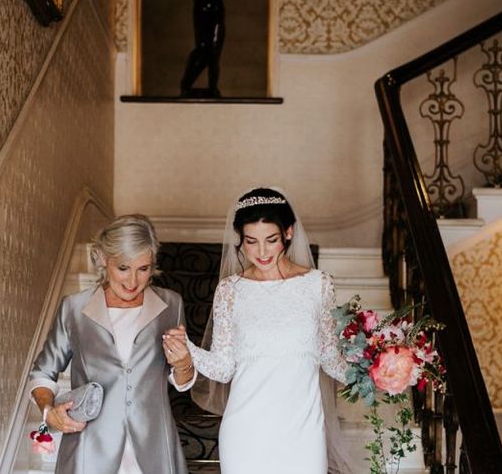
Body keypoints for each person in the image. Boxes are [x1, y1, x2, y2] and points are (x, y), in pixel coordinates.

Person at [162, 187, 354, 474]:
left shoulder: (319, 284)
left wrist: (373, 368)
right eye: (251, 241)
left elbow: (329, 356)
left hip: (303, 431)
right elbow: (224, 368)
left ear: (288, 233)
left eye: (271, 240)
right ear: (240, 239)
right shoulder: (230, 290)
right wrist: (187, 349)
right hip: (245, 431)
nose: (261, 252)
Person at [28, 215, 195, 474]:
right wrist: (49, 412)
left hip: (154, 449)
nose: (133, 282)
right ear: (104, 259)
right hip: (89, 448)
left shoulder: (171, 305)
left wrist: (184, 364)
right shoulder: (74, 308)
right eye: (123, 268)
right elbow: (42, 373)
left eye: (144, 269)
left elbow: (181, 381)